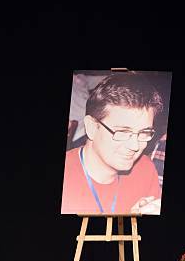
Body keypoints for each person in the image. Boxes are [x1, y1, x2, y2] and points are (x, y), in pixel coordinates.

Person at [61, 72, 163, 215]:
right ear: (91, 127)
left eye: (144, 132)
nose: (134, 146)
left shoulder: (146, 169)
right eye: (122, 132)